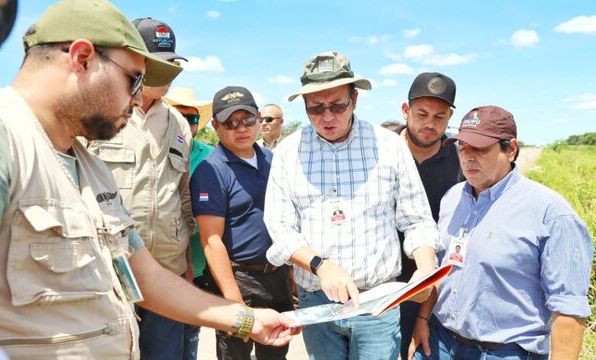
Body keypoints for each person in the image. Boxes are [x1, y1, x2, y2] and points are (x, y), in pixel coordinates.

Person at [0, 1, 294, 358]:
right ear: (82, 59)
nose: (138, 97)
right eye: (134, 78)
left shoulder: (92, 168)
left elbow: (148, 279)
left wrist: (245, 320)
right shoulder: (5, 141)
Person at [264, 50, 440, 360]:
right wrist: (321, 265)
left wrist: (426, 268)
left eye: (337, 105)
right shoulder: (289, 152)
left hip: (377, 304)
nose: (327, 117)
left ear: (355, 99)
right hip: (317, 304)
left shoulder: (388, 146)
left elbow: (417, 221)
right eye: (316, 108)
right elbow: (279, 226)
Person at [411, 106, 593, 360]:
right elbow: (442, 268)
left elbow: (569, 308)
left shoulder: (551, 213)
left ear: (511, 149)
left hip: (503, 352)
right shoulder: (453, 198)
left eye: (481, 149)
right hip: (440, 342)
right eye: (462, 147)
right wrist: (422, 318)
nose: (468, 157)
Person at [86, 16, 199, 359]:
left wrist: (187, 263)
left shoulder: (178, 123)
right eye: (156, 64)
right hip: (109, 274)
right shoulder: (100, 115)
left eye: (172, 64)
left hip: (168, 271)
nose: (166, 73)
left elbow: (183, 193)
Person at [190, 86, 293, 360]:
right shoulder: (211, 171)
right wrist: (235, 302)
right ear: (215, 126)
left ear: (259, 119)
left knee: (277, 353)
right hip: (239, 281)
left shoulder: (274, 161)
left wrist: (292, 277)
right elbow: (211, 241)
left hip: (278, 276)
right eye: (230, 123)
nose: (241, 128)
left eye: (247, 120)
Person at [396, 72, 463, 360]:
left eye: (439, 117)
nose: (429, 124)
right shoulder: (380, 152)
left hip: (434, 289)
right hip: (380, 284)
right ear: (405, 110)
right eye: (422, 113)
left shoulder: (461, 160)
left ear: (449, 118)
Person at [164, 86, 215, 358]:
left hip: (198, 262)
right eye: (179, 115)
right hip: (162, 262)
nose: (186, 123)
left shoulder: (210, 156)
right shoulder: (154, 152)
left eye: (192, 118)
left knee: (189, 334)